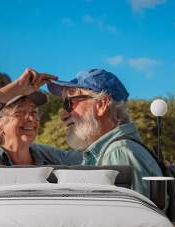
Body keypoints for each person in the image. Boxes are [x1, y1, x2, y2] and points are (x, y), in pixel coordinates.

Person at [0, 68, 81, 191]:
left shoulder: (48, 156)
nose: (31, 118)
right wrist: (17, 87)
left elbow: (87, 160)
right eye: (20, 112)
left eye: (34, 112)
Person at [47, 68, 162, 198]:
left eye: (70, 103)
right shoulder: (113, 151)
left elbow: (130, 217)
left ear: (101, 104)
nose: (63, 115)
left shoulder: (118, 153)